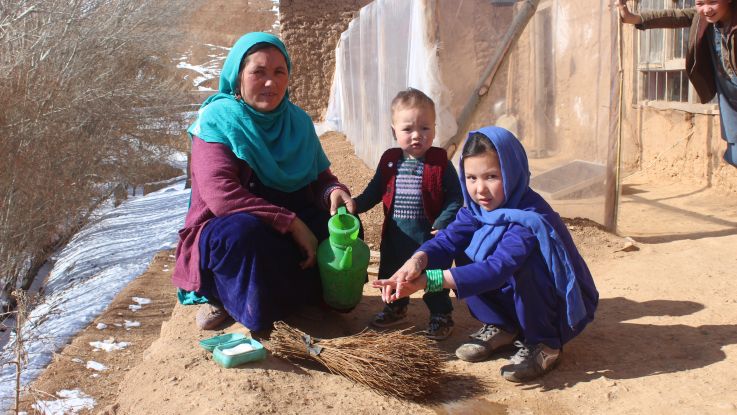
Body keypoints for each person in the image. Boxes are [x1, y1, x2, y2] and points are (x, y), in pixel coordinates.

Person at [373, 126, 599, 382]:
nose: (480, 189)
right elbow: (448, 239)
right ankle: (503, 326)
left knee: (523, 267)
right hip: (514, 293)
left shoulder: (530, 218)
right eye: (471, 178)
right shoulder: (476, 209)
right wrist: (416, 260)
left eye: (491, 176)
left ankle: (546, 344)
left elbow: (497, 269)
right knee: (467, 248)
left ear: (512, 172)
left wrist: (428, 281)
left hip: (556, 306)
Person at [172, 32, 355, 332]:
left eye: (279, 72)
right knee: (243, 235)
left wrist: (333, 193)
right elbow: (222, 197)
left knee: (342, 229)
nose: (270, 83)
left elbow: (321, 179)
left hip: (288, 228)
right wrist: (292, 224)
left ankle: (298, 297)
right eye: (258, 72)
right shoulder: (216, 120)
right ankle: (223, 295)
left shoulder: (297, 122)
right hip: (240, 226)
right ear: (238, 76)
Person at [352, 88, 463, 340]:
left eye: (425, 128)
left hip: (428, 239)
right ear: (394, 131)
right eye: (408, 129)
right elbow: (375, 190)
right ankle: (395, 307)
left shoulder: (440, 161)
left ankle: (441, 315)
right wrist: (356, 205)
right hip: (396, 235)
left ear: (434, 129)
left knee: (432, 278)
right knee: (392, 272)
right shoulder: (390, 160)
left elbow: (456, 196)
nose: (417, 136)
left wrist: (444, 221)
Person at [617, 0, 737, 167]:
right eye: (700, 3)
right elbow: (674, 16)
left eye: (713, 2)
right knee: (735, 152)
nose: (707, 9)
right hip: (729, 98)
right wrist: (634, 18)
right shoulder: (702, 18)